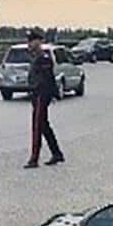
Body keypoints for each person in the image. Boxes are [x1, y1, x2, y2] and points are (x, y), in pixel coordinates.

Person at [23, 28, 64, 168]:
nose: (29, 44)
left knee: (37, 126)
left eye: (32, 41)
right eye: (28, 41)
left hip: (41, 94)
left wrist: (53, 94)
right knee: (44, 125)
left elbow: (49, 79)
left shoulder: (44, 58)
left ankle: (34, 158)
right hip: (36, 94)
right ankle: (57, 153)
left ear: (39, 42)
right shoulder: (35, 57)